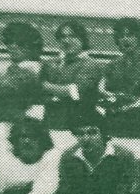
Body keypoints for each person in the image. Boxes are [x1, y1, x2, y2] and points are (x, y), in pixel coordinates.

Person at [0, 22, 45, 158]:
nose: (12, 46)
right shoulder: (12, 69)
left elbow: (4, 92)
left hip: (16, 128)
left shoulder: (33, 69)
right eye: (9, 42)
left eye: (19, 43)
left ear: (31, 46)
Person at [99, 17, 140, 160]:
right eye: (121, 36)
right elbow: (101, 91)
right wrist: (119, 98)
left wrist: (117, 103)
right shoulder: (111, 65)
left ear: (139, 38)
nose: (125, 39)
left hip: (139, 135)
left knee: (137, 171)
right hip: (112, 132)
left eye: (130, 35)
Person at [41, 21, 104, 150]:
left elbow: (75, 91)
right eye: (63, 37)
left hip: (76, 130)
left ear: (82, 39)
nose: (66, 41)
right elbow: (38, 93)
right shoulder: (51, 64)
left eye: (72, 36)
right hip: (49, 126)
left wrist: (46, 86)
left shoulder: (91, 65)